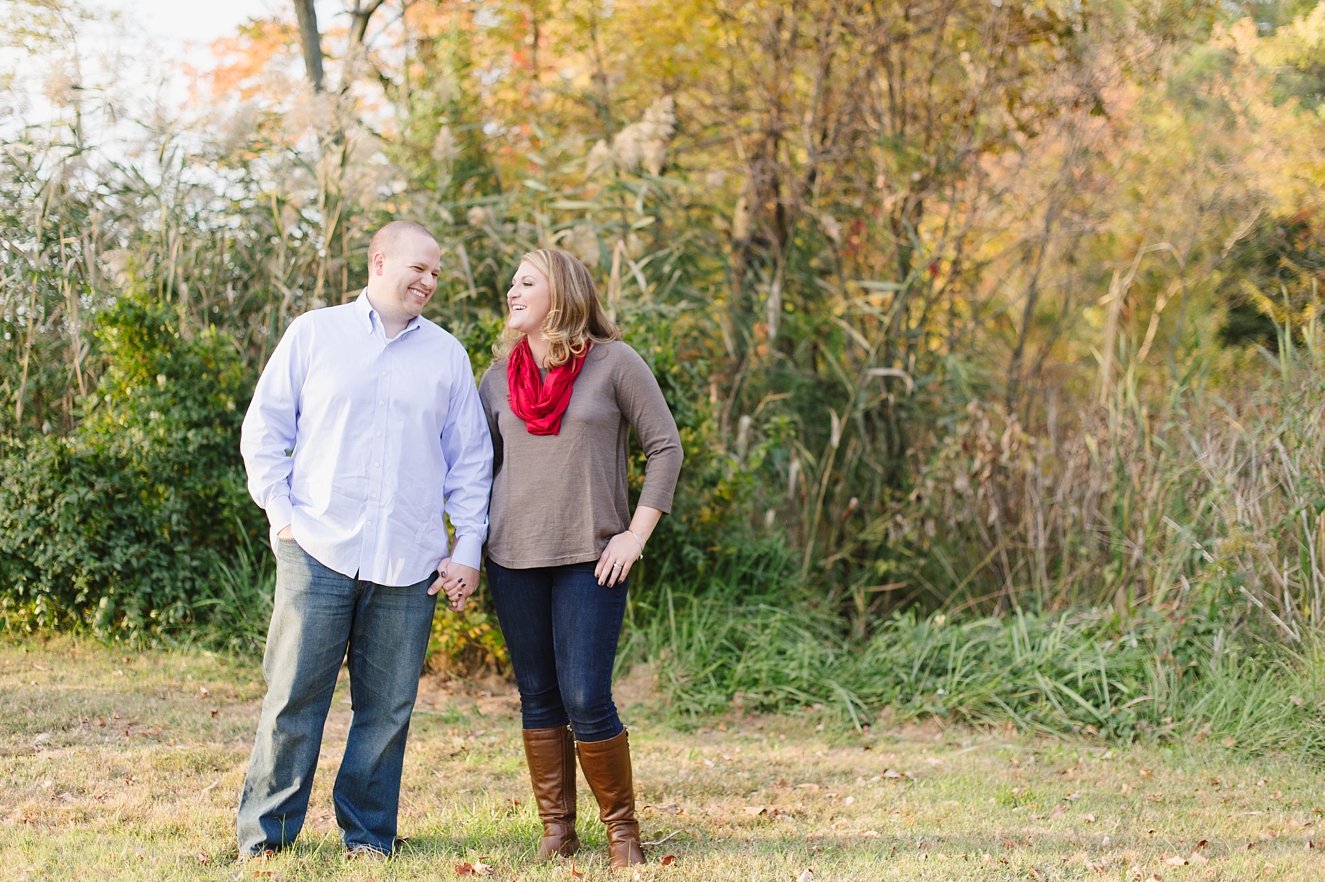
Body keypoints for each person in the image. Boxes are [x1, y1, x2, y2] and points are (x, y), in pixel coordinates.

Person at [236, 221, 492, 860]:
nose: (429, 282)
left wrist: (466, 548)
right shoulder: (314, 333)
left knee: (387, 711)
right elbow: (264, 429)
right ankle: (267, 841)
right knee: (294, 699)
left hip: (409, 561)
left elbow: (470, 463)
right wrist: (283, 518)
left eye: (437, 273)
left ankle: (368, 838)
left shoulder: (446, 356)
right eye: (419, 268)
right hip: (318, 546)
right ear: (380, 261)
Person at [478, 249, 683, 868]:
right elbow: (474, 471)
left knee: (587, 695)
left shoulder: (613, 364)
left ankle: (622, 832)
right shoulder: (494, 378)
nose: (512, 291)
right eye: (511, 282)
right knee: (538, 695)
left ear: (562, 294)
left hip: (593, 558)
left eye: (526, 282)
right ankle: (557, 831)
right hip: (512, 556)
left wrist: (635, 535)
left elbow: (665, 449)